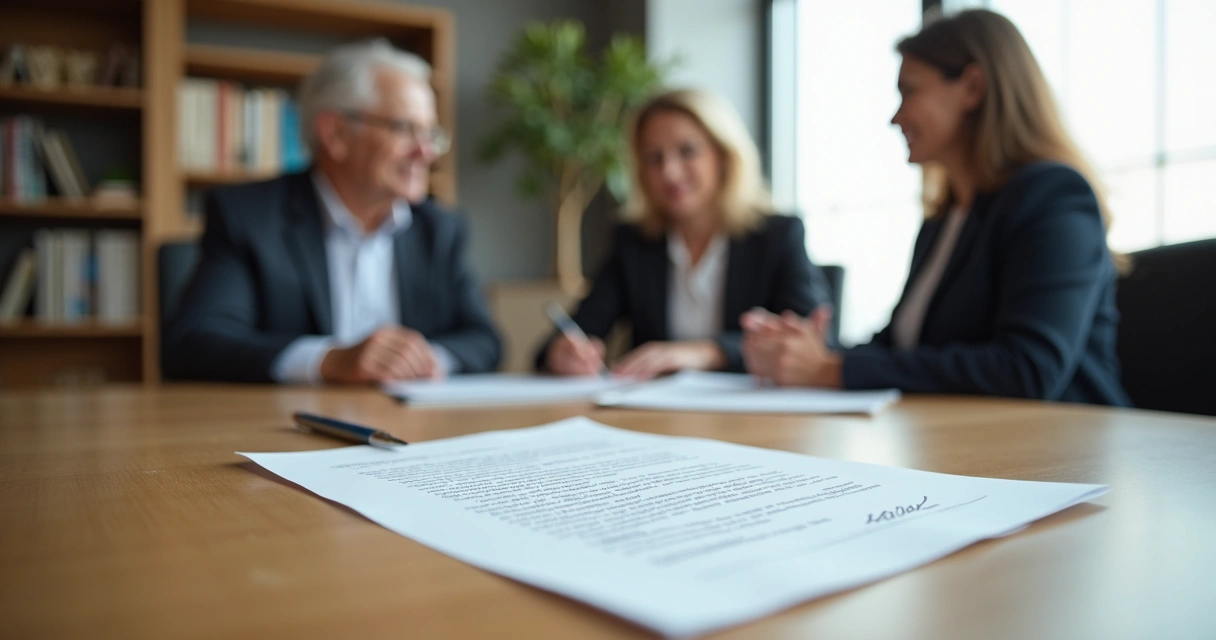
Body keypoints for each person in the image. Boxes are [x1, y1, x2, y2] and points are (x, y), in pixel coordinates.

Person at [741, 9, 1130, 406]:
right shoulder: (944, 220)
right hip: (964, 445)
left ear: (972, 87)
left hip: (1067, 455)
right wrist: (809, 353)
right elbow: (902, 347)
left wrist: (832, 370)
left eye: (909, 91)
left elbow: (1027, 369)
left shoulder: (1052, 195)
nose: (896, 117)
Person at [164, 39, 501, 384]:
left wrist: (424, 361)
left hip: (415, 430)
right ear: (336, 133)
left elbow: (485, 341)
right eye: (405, 129)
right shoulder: (248, 217)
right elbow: (194, 342)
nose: (426, 152)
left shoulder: (440, 229)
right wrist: (328, 361)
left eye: (430, 133)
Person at [536, 88, 832, 379]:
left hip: (757, 420)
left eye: (687, 151)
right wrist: (563, 355)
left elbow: (814, 345)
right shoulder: (634, 242)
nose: (670, 172)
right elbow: (566, 337)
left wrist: (709, 352)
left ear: (723, 157)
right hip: (655, 418)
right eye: (653, 158)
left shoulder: (777, 235)